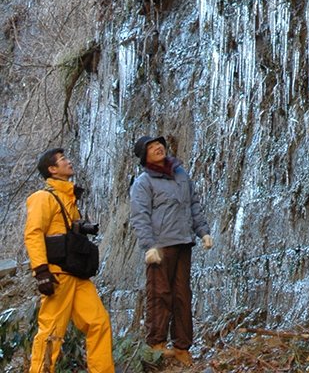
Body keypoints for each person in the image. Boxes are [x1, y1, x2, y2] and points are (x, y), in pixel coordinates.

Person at [24, 147, 115, 373]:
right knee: (51, 331)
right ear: (52, 170)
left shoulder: (69, 199)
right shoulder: (42, 197)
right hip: (57, 274)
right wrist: (41, 271)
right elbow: (33, 233)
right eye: (63, 160)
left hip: (76, 274)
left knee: (98, 322)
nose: (69, 162)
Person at [129, 135, 213, 366]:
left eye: (159, 144)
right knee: (159, 294)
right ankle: (156, 345)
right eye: (151, 147)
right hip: (160, 246)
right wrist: (148, 246)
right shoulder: (144, 182)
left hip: (184, 241)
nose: (158, 147)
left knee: (182, 295)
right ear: (144, 157)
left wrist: (203, 231)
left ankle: (181, 346)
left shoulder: (181, 175)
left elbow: (193, 204)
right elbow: (140, 216)